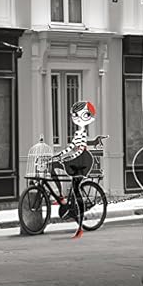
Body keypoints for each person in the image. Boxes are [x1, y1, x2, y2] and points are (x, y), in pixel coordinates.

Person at [51, 101, 97, 239]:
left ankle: (80, 223)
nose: (77, 118)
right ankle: (60, 196)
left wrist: (67, 158)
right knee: (52, 166)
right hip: (76, 159)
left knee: (76, 189)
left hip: (83, 160)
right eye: (75, 115)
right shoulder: (78, 132)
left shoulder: (83, 133)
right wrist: (58, 155)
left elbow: (80, 150)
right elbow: (71, 147)